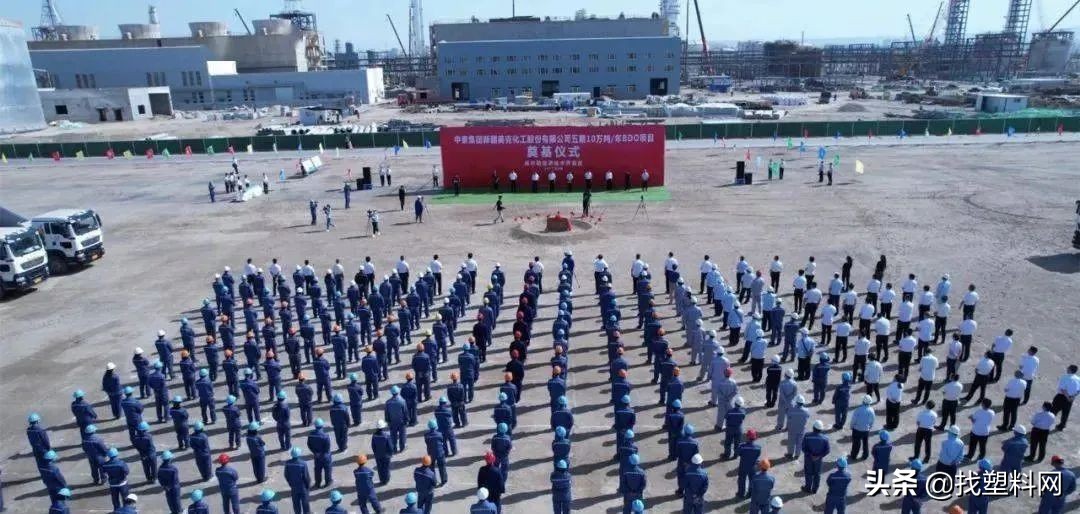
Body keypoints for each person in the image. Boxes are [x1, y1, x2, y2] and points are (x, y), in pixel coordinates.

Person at [284, 447, 312, 514]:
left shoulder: (288, 463)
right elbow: (306, 476)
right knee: (305, 502)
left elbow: (286, 475)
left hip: (294, 486)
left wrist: (290, 483)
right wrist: (308, 485)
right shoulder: (303, 463)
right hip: (303, 487)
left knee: (296, 502)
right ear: (299, 454)